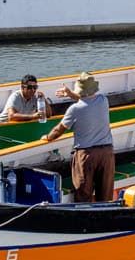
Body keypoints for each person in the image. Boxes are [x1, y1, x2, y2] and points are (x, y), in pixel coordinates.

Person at [45, 72, 115, 202]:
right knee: (105, 194)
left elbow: (59, 130)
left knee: (83, 193)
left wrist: (47, 137)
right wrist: (71, 94)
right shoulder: (103, 100)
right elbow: (87, 101)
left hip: (86, 155)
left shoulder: (74, 109)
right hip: (106, 153)